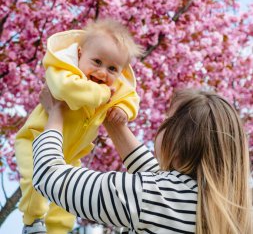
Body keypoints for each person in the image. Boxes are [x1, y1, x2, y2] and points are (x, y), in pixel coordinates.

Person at [32, 87, 253, 234]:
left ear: (177, 139)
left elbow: (49, 175)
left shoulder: (150, 197)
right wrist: (111, 119)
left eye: (166, 120)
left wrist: (55, 113)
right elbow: (158, 181)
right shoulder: (233, 210)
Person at [15, 19, 142, 234]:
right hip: (35, 141)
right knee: (35, 181)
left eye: (112, 68)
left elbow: (130, 98)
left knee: (67, 196)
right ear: (80, 54)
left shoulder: (115, 87)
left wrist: (125, 110)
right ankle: (32, 221)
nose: (103, 72)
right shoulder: (64, 70)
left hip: (72, 153)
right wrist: (102, 94)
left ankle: (57, 230)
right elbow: (67, 90)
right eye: (97, 62)